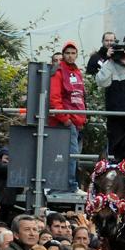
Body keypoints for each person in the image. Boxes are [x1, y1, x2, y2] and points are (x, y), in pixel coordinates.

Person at [48, 41, 87, 193]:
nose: (70, 56)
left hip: (76, 121)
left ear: (76, 55)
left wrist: (83, 118)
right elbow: (54, 98)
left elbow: (81, 97)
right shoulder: (58, 71)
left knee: (72, 155)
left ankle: (69, 186)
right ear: (63, 55)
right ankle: (70, 186)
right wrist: (65, 119)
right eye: (67, 53)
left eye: (73, 53)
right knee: (69, 155)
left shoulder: (77, 72)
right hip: (66, 121)